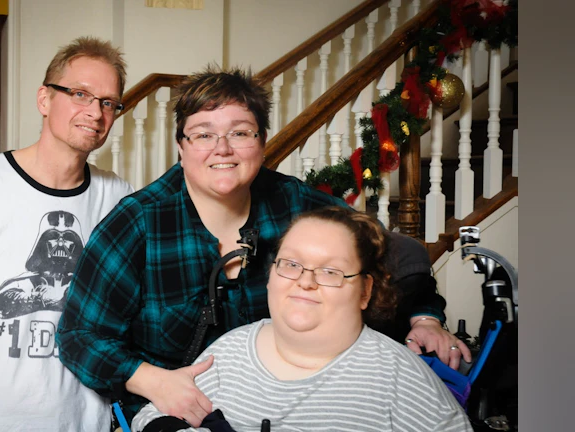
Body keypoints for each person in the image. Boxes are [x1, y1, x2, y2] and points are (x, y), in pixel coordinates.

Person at [56, 65, 470, 426]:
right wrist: (153, 381)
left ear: (263, 141)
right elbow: (79, 335)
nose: (222, 148)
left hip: (292, 410)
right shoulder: (137, 222)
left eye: (240, 132)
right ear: (181, 147)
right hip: (176, 415)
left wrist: (425, 318)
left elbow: (389, 257)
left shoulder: (298, 205)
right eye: (203, 134)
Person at [0, 36, 134, 432]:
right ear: (44, 100)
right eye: (80, 94)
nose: (96, 113)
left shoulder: (119, 197)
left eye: (108, 102)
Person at [132, 206, 472, 431]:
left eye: (330, 271)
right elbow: (153, 415)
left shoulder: (401, 379)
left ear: (365, 291)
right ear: (271, 275)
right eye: (291, 264)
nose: (305, 281)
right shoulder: (228, 355)